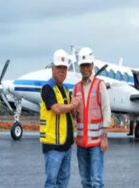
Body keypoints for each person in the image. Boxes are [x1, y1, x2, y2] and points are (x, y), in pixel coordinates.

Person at [39, 49, 80, 188]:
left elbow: (71, 114)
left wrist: (75, 107)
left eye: (64, 68)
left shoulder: (65, 90)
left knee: (63, 182)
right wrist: (71, 105)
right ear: (52, 69)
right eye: (59, 67)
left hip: (66, 145)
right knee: (52, 182)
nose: (62, 71)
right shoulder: (47, 88)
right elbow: (56, 109)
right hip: (53, 146)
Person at [73, 47, 111, 188]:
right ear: (80, 67)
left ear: (92, 66)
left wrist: (105, 137)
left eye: (87, 65)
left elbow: (106, 110)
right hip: (81, 142)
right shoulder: (76, 88)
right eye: (82, 65)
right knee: (85, 181)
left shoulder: (99, 85)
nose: (85, 68)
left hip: (96, 142)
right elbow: (74, 114)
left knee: (96, 181)